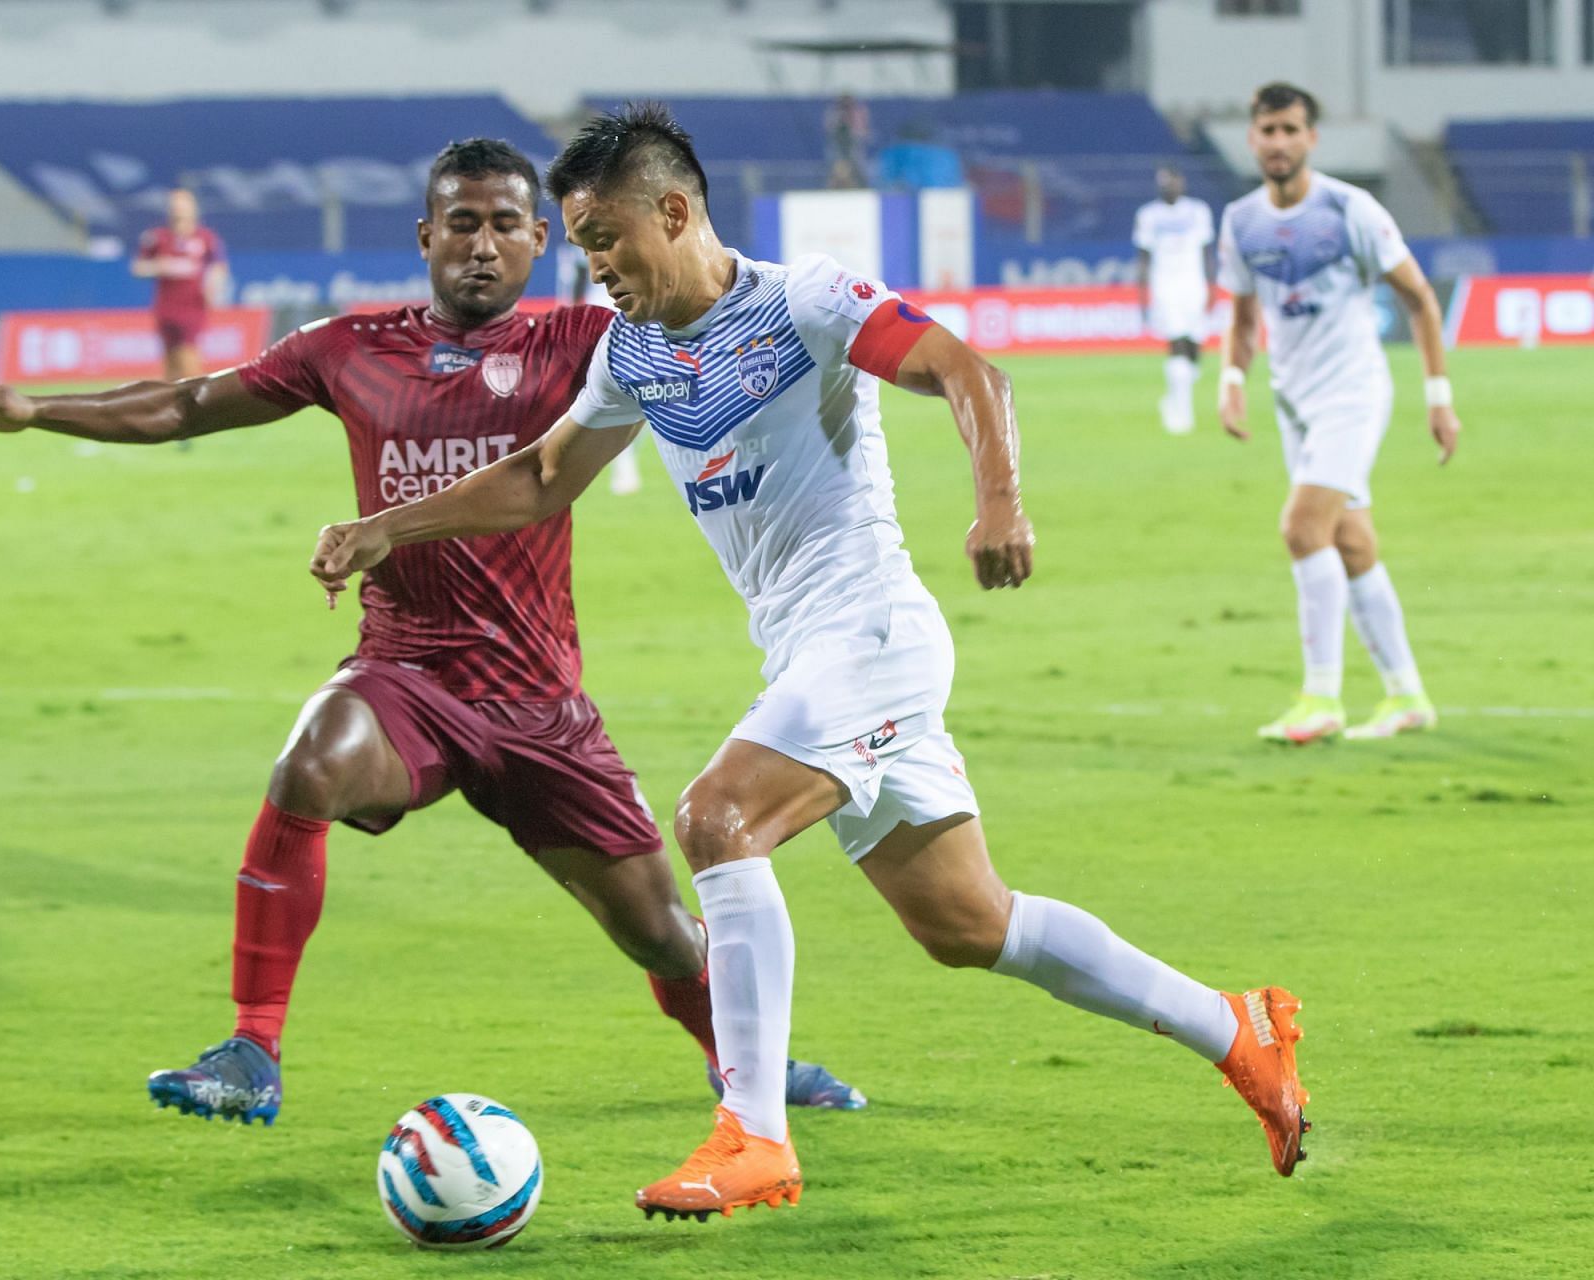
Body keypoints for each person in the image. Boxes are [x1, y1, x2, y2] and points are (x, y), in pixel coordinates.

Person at [310, 104, 1312, 1219]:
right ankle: (1240, 1028)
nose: (593, 266)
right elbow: (544, 477)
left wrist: (1000, 504)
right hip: (811, 654)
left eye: (604, 239)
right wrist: (388, 526)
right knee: (967, 922)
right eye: (583, 245)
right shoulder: (634, 349)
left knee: (716, 817)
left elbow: (970, 373)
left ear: (675, 211)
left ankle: (754, 1134)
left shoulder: (803, 302)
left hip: (871, 634)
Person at [0, 138, 863, 1124]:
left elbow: (707, 334)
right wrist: (35, 410)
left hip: (540, 700)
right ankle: (252, 1046)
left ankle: (748, 1062)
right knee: (312, 759)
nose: (484, 245)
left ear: (542, 240)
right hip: (405, 674)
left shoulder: (585, 341)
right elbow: (193, 400)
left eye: (506, 225)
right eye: (463, 223)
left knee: (663, 931)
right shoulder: (351, 346)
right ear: (426, 236)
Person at [1217, 83, 1459, 744]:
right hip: (1294, 401)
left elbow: (1419, 300)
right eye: (1267, 130)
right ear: (1253, 138)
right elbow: (1243, 314)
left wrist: (1439, 399)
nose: (1278, 142)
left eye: (1291, 130)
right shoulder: (1240, 221)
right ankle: (1407, 695)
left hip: (1352, 393)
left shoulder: (1352, 209)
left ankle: (1320, 697)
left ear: (1311, 139)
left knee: (1301, 528)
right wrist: (1233, 377)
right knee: (1350, 541)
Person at [1133, 166, 1215, 434]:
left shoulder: (1198, 211)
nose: (1169, 186)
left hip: (1194, 285)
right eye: (1164, 182)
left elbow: (1207, 251)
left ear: (1182, 182)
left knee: (1193, 345)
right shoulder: (1148, 215)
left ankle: (1173, 399)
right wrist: (1143, 296)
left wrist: (1211, 286)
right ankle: (1181, 414)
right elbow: (1143, 259)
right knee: (1177, 342)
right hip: (1165, 286)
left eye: (1173, 181)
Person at [562, 240, 642, 494]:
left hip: (625, 322)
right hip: (601, 325)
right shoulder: (586, 254)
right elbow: (577, 286)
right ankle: (620, 464)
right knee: (605, 398)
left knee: (634, 399)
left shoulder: (626, 242)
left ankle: (624, 463)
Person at [132, 187, 228, 381]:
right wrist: (160, 266)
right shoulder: (157, 237)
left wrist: (213, 288)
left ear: (193, 208)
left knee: (189, 359)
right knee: (170, 363)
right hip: (166, 308)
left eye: (183, 205)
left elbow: (219, 266)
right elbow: (138, 267)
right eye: (175, 206)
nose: (179, 210)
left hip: (192, 307)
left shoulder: (205, 238)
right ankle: (172, 406)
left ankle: (200, 405)